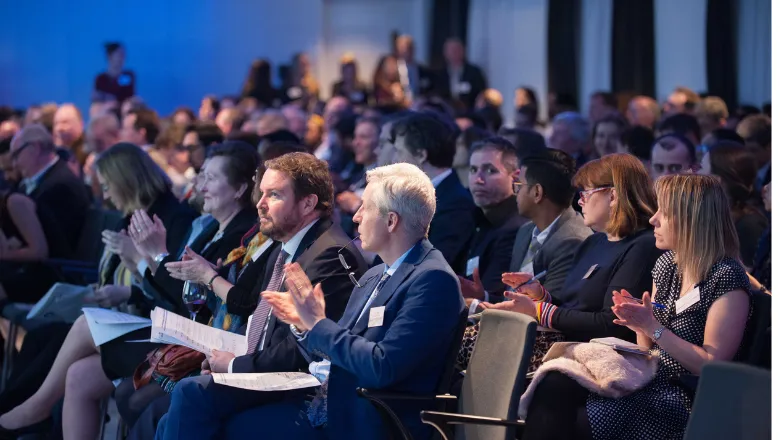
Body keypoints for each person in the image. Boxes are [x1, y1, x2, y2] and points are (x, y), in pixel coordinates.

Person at [158, 163, 464, 439]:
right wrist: (303, 326)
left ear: (391, 221)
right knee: (184, 407)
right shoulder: (377, 273)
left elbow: (381, 367)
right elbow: (333, 346)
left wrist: (316, 323)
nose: (355, 217)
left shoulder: (432, 280)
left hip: (365, 417)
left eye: (365, 209)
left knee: (201, 409)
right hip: (325, 398)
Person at [521, 174, 751, 440]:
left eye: (664, 213)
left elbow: (712, 367)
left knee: (574, 418)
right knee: (553, 384)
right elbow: (647, 348)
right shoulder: (667, 265)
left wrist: (651, 327)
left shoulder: (725, 276)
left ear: (692, 219)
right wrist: (638, 322)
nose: (653, 219)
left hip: (684, 396)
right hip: (647, 378)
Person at [154, 151, 366, 439]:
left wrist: (231, 366)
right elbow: (264, 326)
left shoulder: (328, 254)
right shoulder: (287, 244)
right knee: (167, 416)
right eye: (262, 193)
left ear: (307, 203)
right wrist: (226, 360)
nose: (260, 204)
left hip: (299, 388)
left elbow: (301, 349)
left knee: (191, 394)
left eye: (274, 195)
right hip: (266, 372)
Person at [0, 142, 198, 438]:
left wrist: (134, 271)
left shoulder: (172, 218)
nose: (104, 195)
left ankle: (31, 412)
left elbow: (173, 288)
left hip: (162, 323)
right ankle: (21, 409)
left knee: (69, 332)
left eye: (107, 187)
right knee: (53, 346)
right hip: (127, 313)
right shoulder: (130, 216)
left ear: (125, 181)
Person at [488, 154, 662, 344]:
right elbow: (572, 309)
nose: (580, 202)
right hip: (565, 347)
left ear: (612, 196)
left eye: (586, 193)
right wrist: (541, 296)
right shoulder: (593, 242)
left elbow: (613, 323)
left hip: (597, 357)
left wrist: (538, 310)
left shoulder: (642, 246)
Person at [390, 112, 475, 271]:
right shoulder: (420, 195)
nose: (393, 159)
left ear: (421, 155)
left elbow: (432, 266)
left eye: (399, 152)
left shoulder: (454, 204)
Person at [458, 137, 525, 303]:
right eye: (473, 170)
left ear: (515, 178)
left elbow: (492, 293)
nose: (478, 179)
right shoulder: (476, 216)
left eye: (490, 171)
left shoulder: (515, 228)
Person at [8, 124, 90, 260]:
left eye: (16, 155)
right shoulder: (46, 181)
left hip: (55, 271)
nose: (15, 164)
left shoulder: (60, 186)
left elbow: (50, 244)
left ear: (35, 148)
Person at [700, 141, 769, 269]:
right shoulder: (716, 220)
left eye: (701, 170)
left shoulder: (749, 225)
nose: (695, 176)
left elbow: (755, 280)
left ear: (716, 181)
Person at [436, 37, 487, 110]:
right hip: (445, 115)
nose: (454, 53)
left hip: (470, 114)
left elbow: (482, 94)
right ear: (445, 53)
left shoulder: (474, 73)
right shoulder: (439, 74)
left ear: (463, 51)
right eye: (451, 50)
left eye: (456, 50)